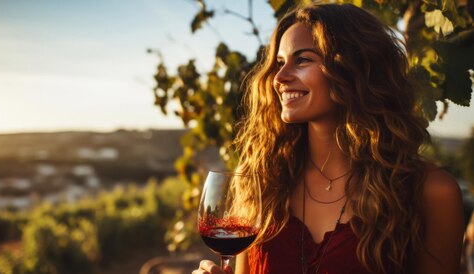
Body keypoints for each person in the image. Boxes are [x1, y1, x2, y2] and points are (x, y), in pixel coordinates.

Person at [192, 3, 464, 274]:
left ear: (354, 67)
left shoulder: (431, 193)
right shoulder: (261, 183)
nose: (280, 77)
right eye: (279, 63)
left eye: (303, 59)